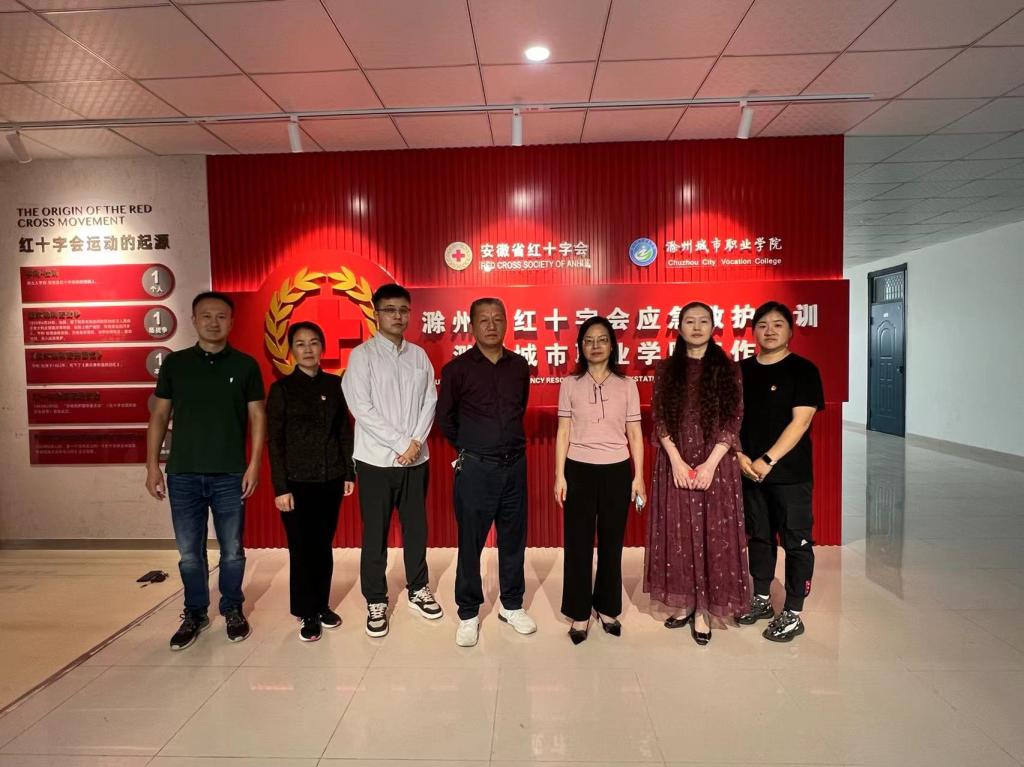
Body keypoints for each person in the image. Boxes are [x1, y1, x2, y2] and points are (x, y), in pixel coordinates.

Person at [145, 291, 265, 651]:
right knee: (189, 553)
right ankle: (195, 612)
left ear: (232, 322)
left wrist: (254, 464)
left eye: (221, 316)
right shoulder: (176, 364)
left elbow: (258, 416)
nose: (214, 322)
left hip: (230, 474)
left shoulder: (245, 366)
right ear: (194, 320)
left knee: (232, 550)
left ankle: (232, 608)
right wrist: (152, 466)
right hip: (183, 474)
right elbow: (159, 415)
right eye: (207, 316)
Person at [644, 301, 748, 646]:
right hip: (675, 461)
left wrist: (711, 463)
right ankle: (686, 601)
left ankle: (704, 610)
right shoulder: (666, 369)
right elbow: (659, 417)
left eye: (704, 321)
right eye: (690, 321)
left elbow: (734, 419)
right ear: (679, 327)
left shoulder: (728, 368)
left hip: (716, 464)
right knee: (679, 531)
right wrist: (675, 460)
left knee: (712, 534)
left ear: (713, 326)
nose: (697, 327)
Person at [342, 284, 441, 638]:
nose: (397, 316)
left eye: (403, 310)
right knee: (375, 532)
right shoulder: (362, 356)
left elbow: (430, 401)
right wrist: (402, 443)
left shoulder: (419, 356)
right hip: (375, 462)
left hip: (416, 460)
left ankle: (418, 588)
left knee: (416, 528)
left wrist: (415, 443)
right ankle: (375, 599)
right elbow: (361, 407)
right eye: (389, 310)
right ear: (376, 314)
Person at [437, 297, 536, 647]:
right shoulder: (456, 370)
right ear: (472, 325)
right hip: (476, 469)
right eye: (484, 319)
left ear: (507, 323)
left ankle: (512, 605)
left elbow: (519, 406)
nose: (491, 325)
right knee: (471, 543)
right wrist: (471, 446)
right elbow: (446, 419)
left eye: (498, 319)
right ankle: (468, 613)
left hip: (515, 466)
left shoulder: (519, 366)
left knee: (513, 540)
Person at [735, 301, 825, 643]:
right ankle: (761, 598)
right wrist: (740, 456)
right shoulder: (741, 370)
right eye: (762, 325)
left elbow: (801, 421)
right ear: (753, 331)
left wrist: (767, 460)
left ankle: (793, 611)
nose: (769, 331)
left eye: (777, 324)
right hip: (749, 472)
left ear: (790, 330)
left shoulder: (803, 370)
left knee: (796, 542)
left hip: (789, 474)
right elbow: (730, 420)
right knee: (758, 536)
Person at [554, 316, 645, 644]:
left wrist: (639, 476)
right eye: (589, 340)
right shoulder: (570, 384)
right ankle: (579, 611)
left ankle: (607, 607)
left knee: (611, 543)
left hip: (616, 470)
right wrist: (559, 475)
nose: (595, 346)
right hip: (578, 470)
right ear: (581, 346)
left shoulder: (627, 385)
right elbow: (563, 432)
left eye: (602, 339)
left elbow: (635, 433)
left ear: (612, 345)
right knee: (577, 544)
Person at [267, 321, 354, 642]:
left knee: (323, 545)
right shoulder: (282, 389)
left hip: (330, 478)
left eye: (314, 342)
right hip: (296, 483)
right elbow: (275, 442)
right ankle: (306, 612)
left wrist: (348, 472)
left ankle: (322, 604)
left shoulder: (335, 385)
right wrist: (281, 488)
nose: (307, 349)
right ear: (291, 350)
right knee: (302, 548)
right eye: (300, 344)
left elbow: (344, 431)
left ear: (322, 348)